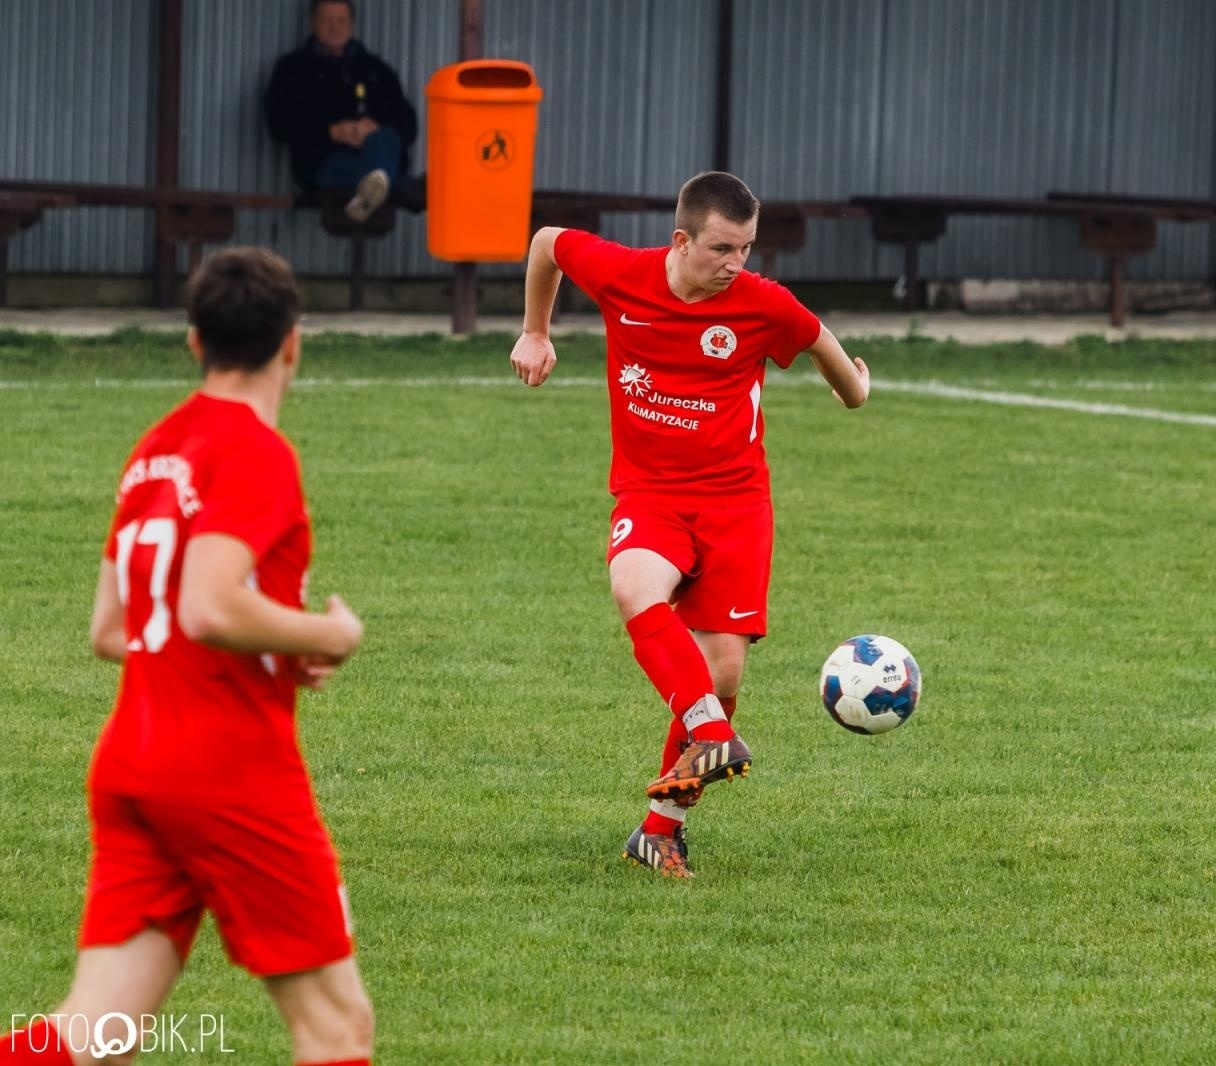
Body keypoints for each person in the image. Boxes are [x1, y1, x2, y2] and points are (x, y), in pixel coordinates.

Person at [2, 249, 373, 1066]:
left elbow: (115, 628)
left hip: (135, 761)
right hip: (227, 769)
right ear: (293, 345)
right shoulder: (257, 451)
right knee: (336, 1030)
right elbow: (205, 607)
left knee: (95, 1032)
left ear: (192, 343)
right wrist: (327, 634)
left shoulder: (154, 449)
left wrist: (274, 640)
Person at [510, 171, 871, 880]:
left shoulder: (760, 303)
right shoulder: (624, 276)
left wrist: (855, 391)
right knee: (632, 582)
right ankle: (711, 732)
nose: (736, 263)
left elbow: (820, 338)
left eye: (746, 248)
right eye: (722, 248)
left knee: (724, 666)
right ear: (682, 240)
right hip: (650, 492)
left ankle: (660, 832)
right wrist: (534, 332)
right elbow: (547, 243)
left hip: (737, 502)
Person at [266, 0, 421, 223]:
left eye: (341, 20)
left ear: (352, 25)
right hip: (325, 163)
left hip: (376, 153)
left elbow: (409, 124)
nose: (334, 27)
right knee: (380, 175)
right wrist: (334, 131)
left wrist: (372, 129)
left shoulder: (375, 69)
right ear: (312, 24)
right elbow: (277, 123)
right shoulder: (293, 69)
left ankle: (375, 192)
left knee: (385, 138)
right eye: (326, 20)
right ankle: (406, 187)